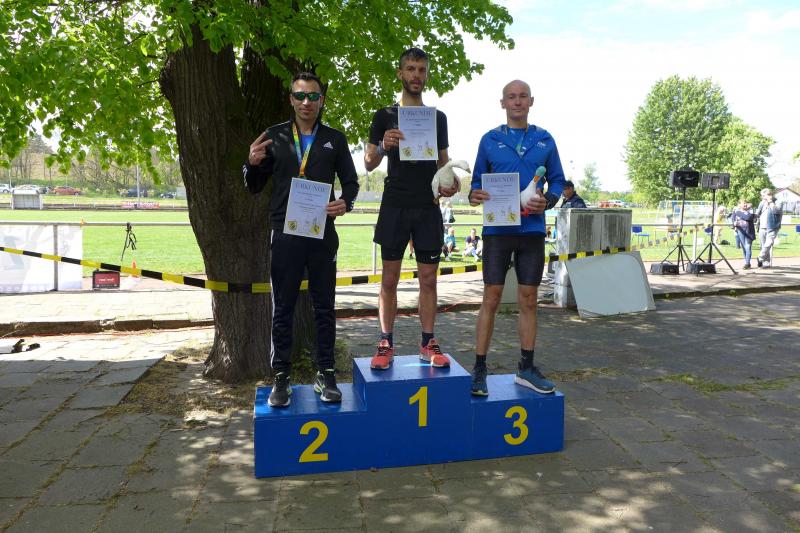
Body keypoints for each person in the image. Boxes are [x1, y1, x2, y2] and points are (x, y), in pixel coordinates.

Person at [244, 72, 359, 407]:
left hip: (322, 233)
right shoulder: (274, 136)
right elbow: (253, 186)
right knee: (283, 307)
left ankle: (326, 374)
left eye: (313, 96)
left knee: (324, 307)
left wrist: (345, 203)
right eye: (300, 96)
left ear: (322, 100)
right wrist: (251, 164)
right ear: (291, 99)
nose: (306, 102)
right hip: (285, 232)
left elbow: (351, 183)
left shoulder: (334, 139)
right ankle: (281, 377)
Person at [468, 79, 566, 396]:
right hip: (497, 231)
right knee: (492, 297)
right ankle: (479, 368)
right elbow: (475, 185)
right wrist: (474, 194)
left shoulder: (545, 139)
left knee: (529, 299)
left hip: (532, 231)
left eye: (523, 96)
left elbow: (558, 182)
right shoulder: (489, 140)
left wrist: (548, 200)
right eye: (511, 97)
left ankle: (526, 367)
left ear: (531, 101)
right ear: (503, 103)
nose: (517, 101)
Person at [364, 47, 458, 370]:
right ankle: (385, 342)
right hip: (395, 204)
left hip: (427, 205)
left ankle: (427, 341)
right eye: (411, 69)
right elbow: (368, 162)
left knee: (429, 280)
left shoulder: (437, 117)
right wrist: (382, 146)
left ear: (426, 74)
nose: (416, 75)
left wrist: (451, 182)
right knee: (389, 279)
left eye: (421, 69)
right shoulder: (384, 116)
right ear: (400, 73)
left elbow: (444, 164)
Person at [754, 188, 782, 268]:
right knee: (763, 245)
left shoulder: (778, 202)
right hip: (762, 226)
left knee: (769, 243)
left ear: (770, 195)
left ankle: (760, 257)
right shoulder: (762, 203)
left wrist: (770, 202)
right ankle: (765, 262)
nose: (762, 197)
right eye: (762, 196)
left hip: (773, 226)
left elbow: (776, 211)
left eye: (764, 196)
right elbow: (757, 213)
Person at [731, 199, 755, 270]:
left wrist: (746, 212)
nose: (745, 204)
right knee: (744, 248)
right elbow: (733, 219)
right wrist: (734, 223)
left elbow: (748, 217)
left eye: (746, 203)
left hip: (749, 231)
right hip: (740, 231)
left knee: (748, 246)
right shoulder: (736, 211)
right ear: (739, 205)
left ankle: (747, 263)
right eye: (743, 203)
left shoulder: (750, 211)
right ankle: (747, 263)